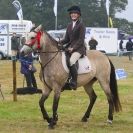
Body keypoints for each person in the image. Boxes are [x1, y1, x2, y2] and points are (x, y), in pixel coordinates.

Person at [59, 5, 86, 90]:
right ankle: (65, 79)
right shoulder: (69, 25)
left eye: (75, 13)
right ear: (70, 15)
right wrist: (58, 42)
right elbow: (67, 39)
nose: (73, 15)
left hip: (79, 49)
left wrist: (73, 48)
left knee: (71, 61)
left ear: (78, 15)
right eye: (72, 13)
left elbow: (81, 40)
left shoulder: (81, 25)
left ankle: (74, 81)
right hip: (69, 48)